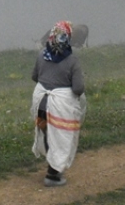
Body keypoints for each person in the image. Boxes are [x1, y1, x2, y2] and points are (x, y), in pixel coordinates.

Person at [31, 20, 85, 187]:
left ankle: (52, 169)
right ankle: (53, 175)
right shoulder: (72, 61)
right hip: (58, 108)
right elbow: (78, 89)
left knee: (47, 135)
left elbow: (35, 77)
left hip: (40, 105)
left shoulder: (41, 55)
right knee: (60, 138)